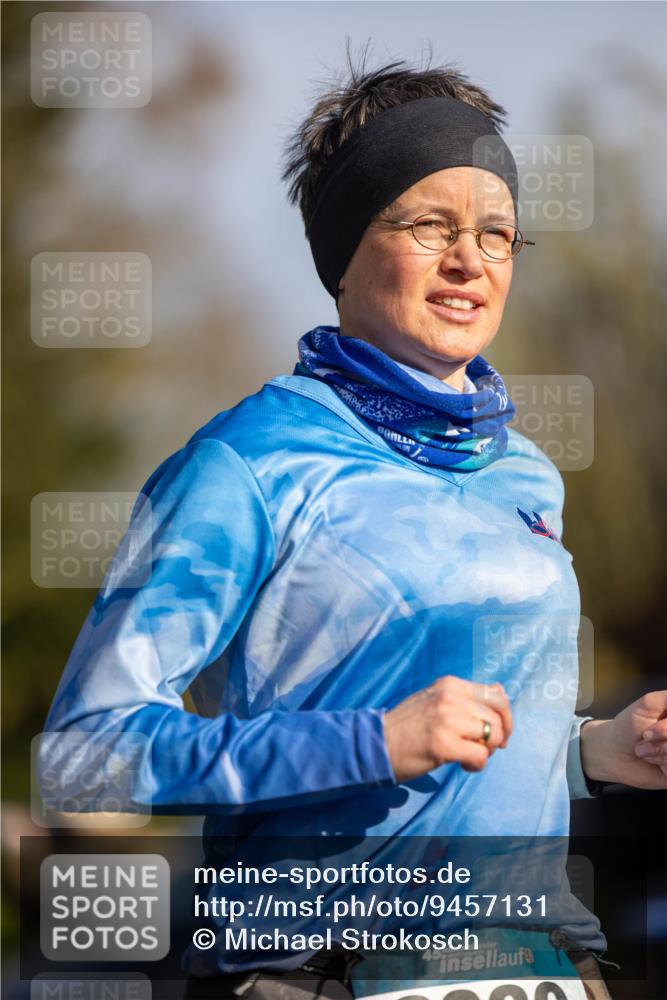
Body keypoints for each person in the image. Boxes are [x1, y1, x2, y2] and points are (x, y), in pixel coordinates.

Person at [40, 57, 667, 1000]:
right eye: (428, 226)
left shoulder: (521, 473)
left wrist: (588, 752)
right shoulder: (247, 464)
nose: (469, 262)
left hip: (536, 962)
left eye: (496, 234)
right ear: (344, 251)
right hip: (314, 971)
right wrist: (369, 741)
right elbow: (85, 758)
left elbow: (462, 745)